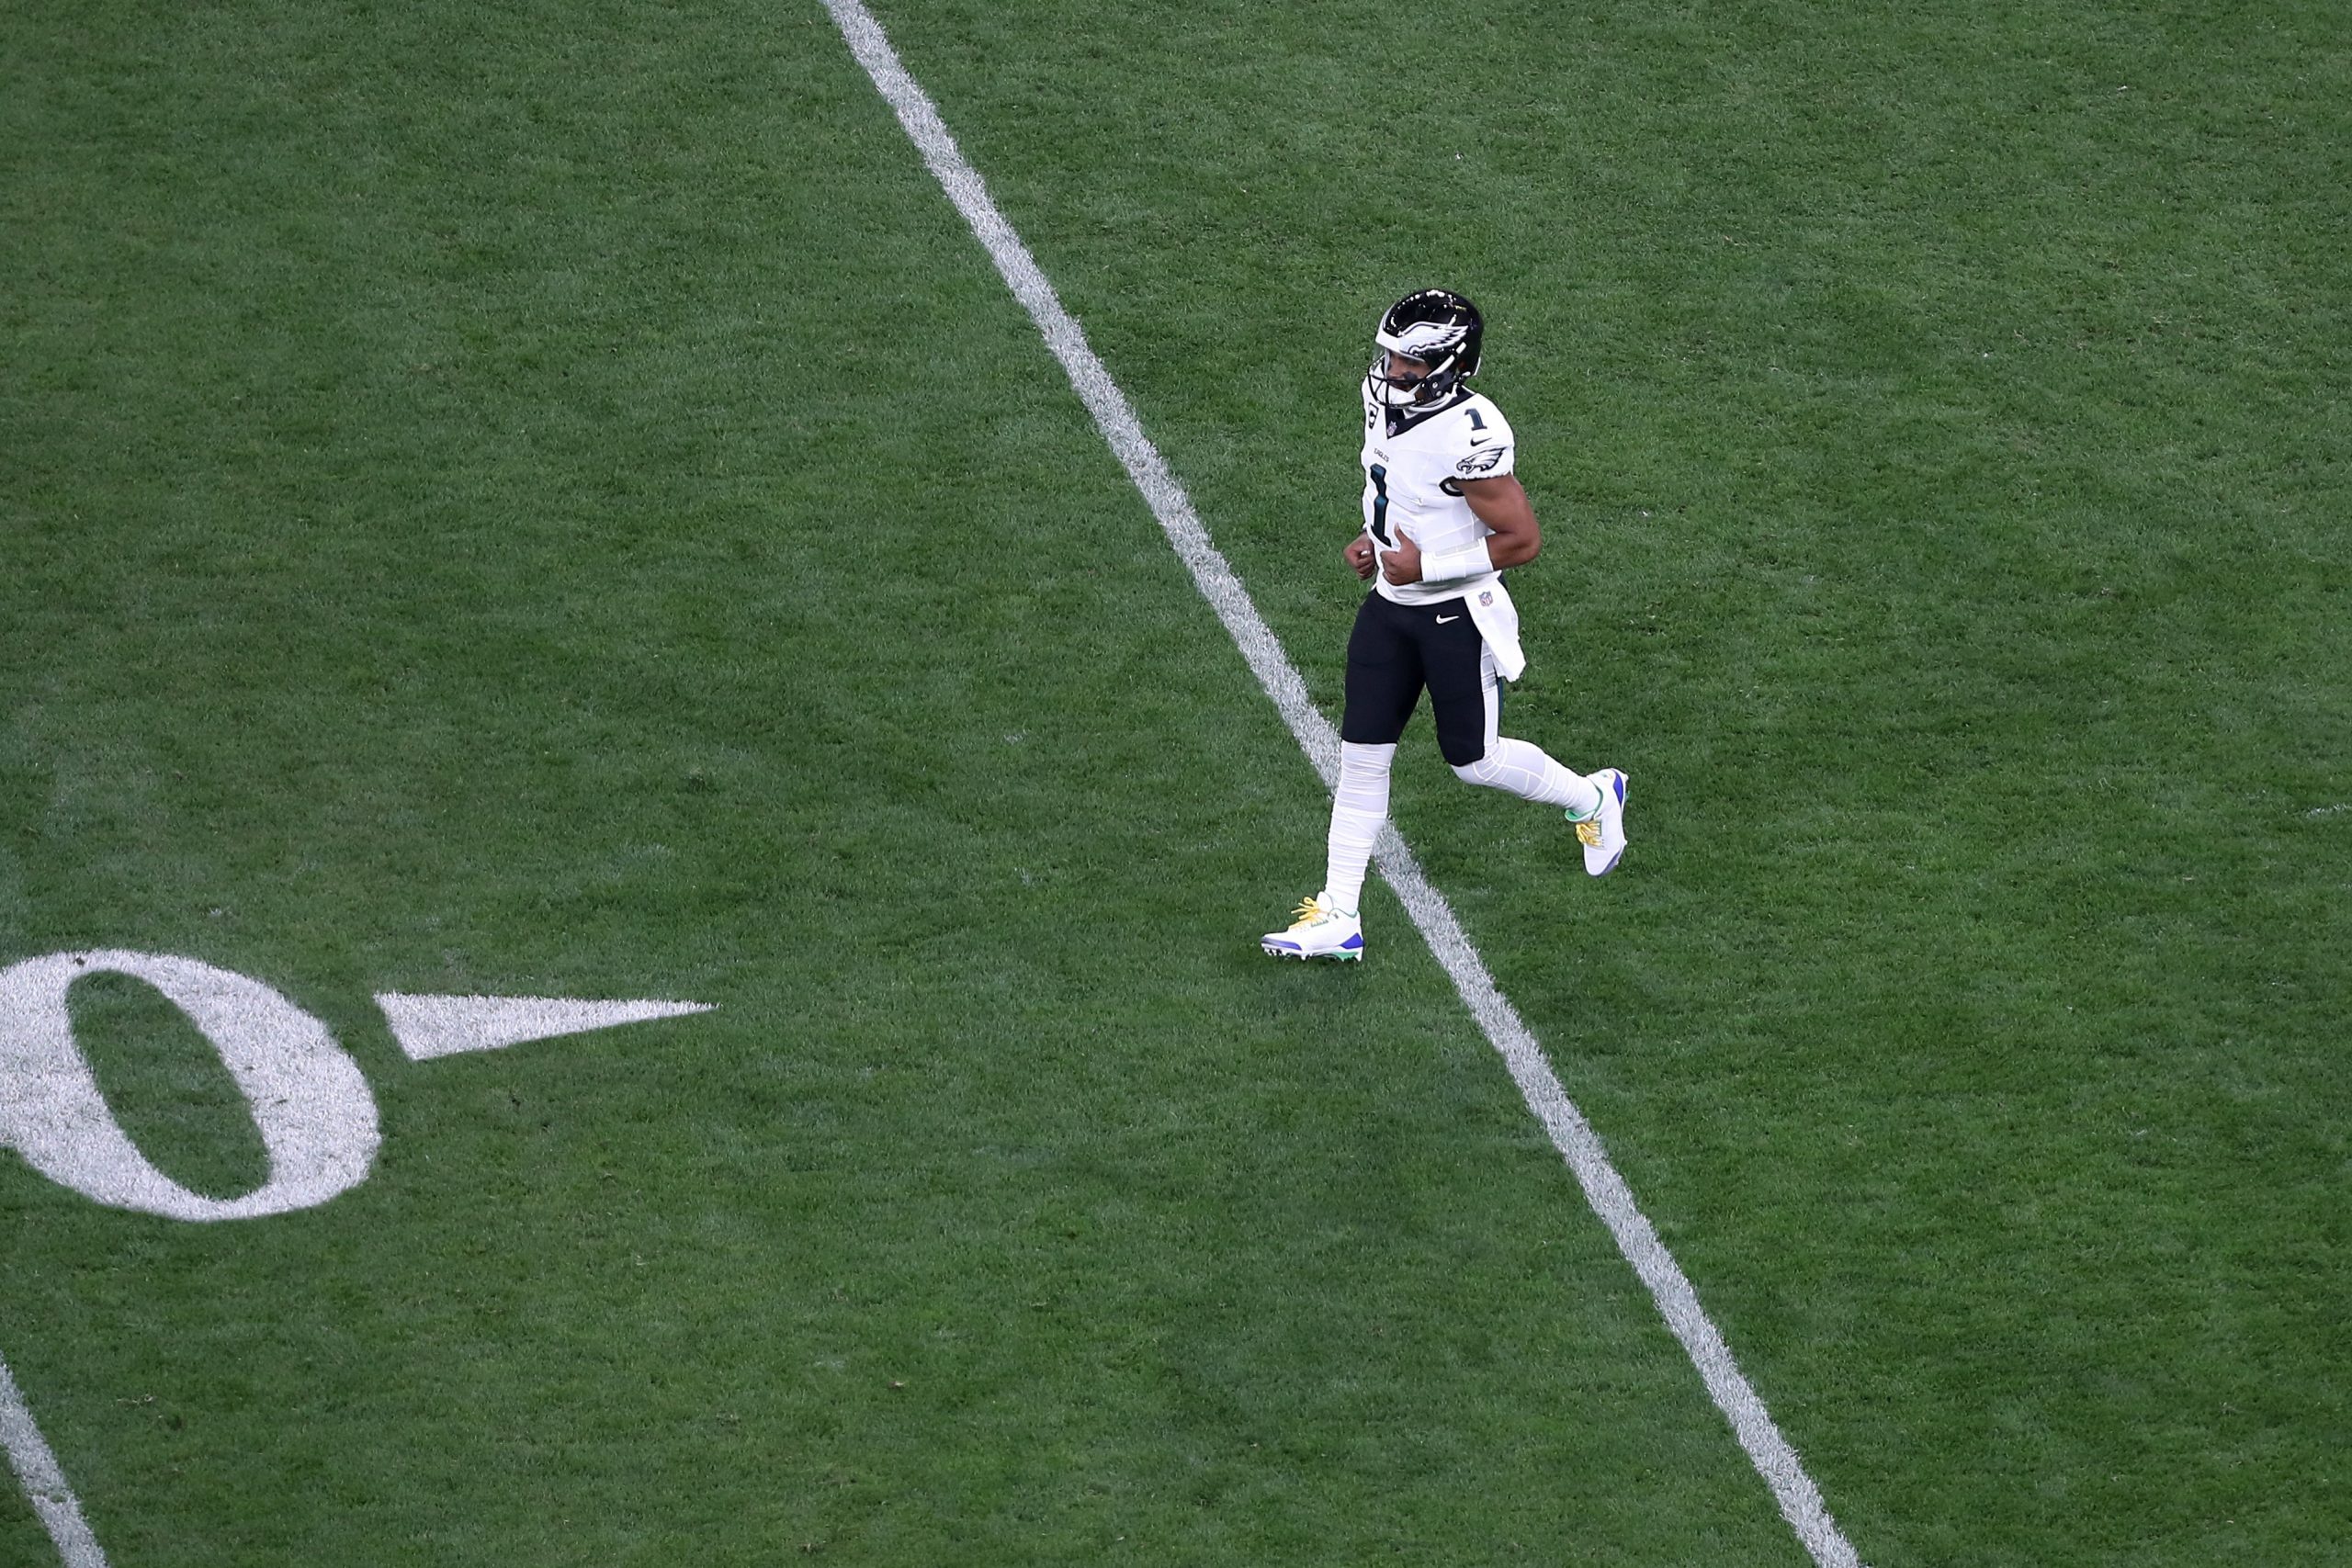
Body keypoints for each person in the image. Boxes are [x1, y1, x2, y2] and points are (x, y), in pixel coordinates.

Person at [1261, 288, 1627, 962]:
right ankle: (1339, 912)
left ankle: (1594, 796)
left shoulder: (1472, 432)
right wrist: (1370, 541)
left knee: (1475, 761)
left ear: (1448, 365)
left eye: (1407, 362)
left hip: (1455, 616)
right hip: (1390, 609)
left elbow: (1521, 539)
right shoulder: (1381, 399)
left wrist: (1425, 564)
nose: (1390, 370)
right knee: (1361, 758)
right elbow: (1396, 488)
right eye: (1389, 355)